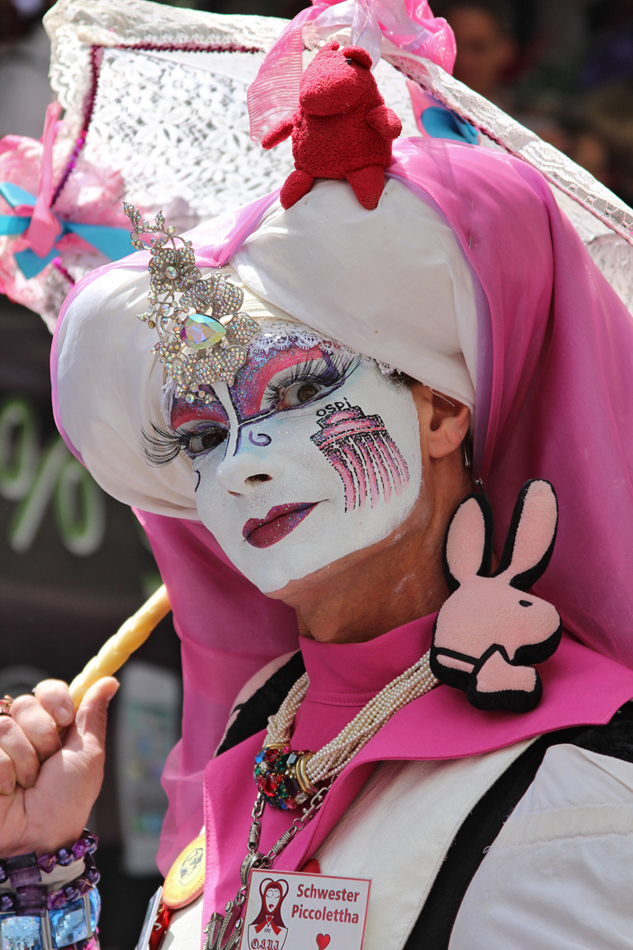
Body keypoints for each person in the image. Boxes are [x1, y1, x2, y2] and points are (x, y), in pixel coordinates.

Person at [2, 6, 633, 950]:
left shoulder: (575, 793)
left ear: (439, 409)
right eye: (202, 435)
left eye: (298, 387)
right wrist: (39, 870)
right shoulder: (260, 744)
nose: (244, 463)